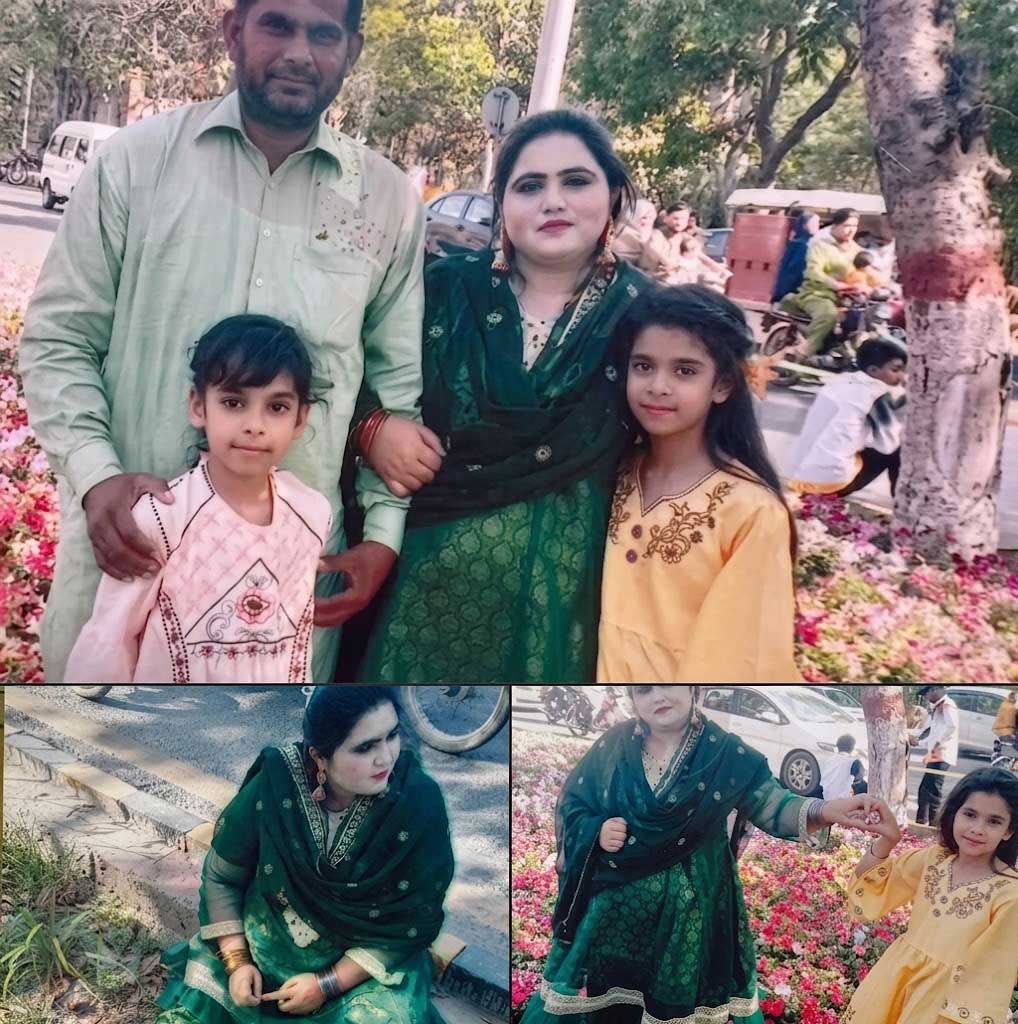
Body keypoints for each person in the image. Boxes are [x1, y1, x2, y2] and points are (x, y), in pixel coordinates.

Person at [20, 0, 426, 682]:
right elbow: (60, 339)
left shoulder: (384, 202)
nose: (299, 52)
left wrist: (382, 535)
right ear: (234, 32)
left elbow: (395, 390)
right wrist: (95, 477)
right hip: (129, 548)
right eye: (277, 24)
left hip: (285, 580)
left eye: (323, 33)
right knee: (91, 737)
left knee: (253, 741)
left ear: (351, 51)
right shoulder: (136, 165)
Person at [354, 110, 646, 683]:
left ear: (613, 194)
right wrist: (372, 428)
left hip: (562, 602)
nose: (553, 201)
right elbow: (342, 370)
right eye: (529, 186)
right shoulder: (443, 290)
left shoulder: (650, 317)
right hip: (419, 589)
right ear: (503, 204)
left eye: (576, 181)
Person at [520, 685, 888, 1024]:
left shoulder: (726, 755)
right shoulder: (614, 744)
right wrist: (597, 831)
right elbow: (574, 803)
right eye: (643, 690)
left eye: (667, 683)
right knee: (606, 1010)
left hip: (687, 926)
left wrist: (827, 809)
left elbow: (773, 805)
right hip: (612, 921)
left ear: (693, 686)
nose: (657, 697)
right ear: (632, 699)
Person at [155, 686, 455, 1024]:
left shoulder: (417, 802)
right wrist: (237, 963)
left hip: (362, 964)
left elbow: (410, 922)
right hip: (266, 943)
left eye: (392, 736)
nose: (386, 758)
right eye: (365, 747)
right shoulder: (277, 782)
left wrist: (327, 984)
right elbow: (222, 877)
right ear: (319, 757)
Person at [63, 316, 332, 683]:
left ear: (300, 419)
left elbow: (296, 640)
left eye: (277, 407)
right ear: (198, 406)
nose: (255, 425)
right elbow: (109, 641)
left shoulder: (310, 514)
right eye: (234, 403)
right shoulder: (163, 518)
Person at [597, 285, 801, 682]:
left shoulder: (749, 511)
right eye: (643, 366)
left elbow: (740, 657)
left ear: (722, 385)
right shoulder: (613, 471)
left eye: (685, 371)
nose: (658, 385)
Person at [842, 766, 1018, 1024]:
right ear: (954, 813)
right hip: (895, 980)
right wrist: (888, 840)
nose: (977, 828)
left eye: (994, 821)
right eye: (970, 814)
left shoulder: (1009, 893)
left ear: (1009, 831)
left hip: (944, 1005)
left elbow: (992, 971)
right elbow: (871, 884)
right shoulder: (935, 860)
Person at [787, 338, 907, 498]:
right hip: (831, 482)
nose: (902, 377)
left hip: (801, 473)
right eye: (896, 370)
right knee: (899, 445)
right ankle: (901, 501)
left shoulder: (841, 381)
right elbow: (887, 445)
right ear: (873, 370)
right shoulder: (877, 394)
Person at [782, 207, 863, 355]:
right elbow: (813, 271)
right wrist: (834, 284)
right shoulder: (820, 245)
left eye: (855, 226)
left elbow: (868, 272)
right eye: (847, 225)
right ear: (835, 225)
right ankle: (805, 352)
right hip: (817, 294)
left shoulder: (857, 250)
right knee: (829, 315)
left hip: (849, 299)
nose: (851, 230)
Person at [910, 685, 960, 826]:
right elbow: (932, 732)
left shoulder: (947, 705)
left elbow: (951, 727)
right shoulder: (938, 707)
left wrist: (937, 742)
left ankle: (934, 823)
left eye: (927, 694)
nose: (926, 697)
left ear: (934, 690)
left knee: (933, 792)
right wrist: (918, 741)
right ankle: (923, 821)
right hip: (935, 753)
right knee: (925, 790)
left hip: (941, 753)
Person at [771, 210, 819, 303]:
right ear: (804, 225)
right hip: (792, 289)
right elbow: (794, 270)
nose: (817, 226)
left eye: (818, 223)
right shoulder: (802, 244)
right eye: (814, 223)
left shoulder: (798, 242)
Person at [820, 734, 868, 799]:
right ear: (852, 748)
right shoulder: (852, 761)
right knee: (863, 785)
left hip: (825, 797)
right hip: (841, 799)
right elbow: (860, 777)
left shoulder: (829, 759)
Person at [991, 691, 1018, 758]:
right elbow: (1011, 722)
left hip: (1001, 731)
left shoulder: (1004, 704)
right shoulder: (1011, 708)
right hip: (1007, 732)